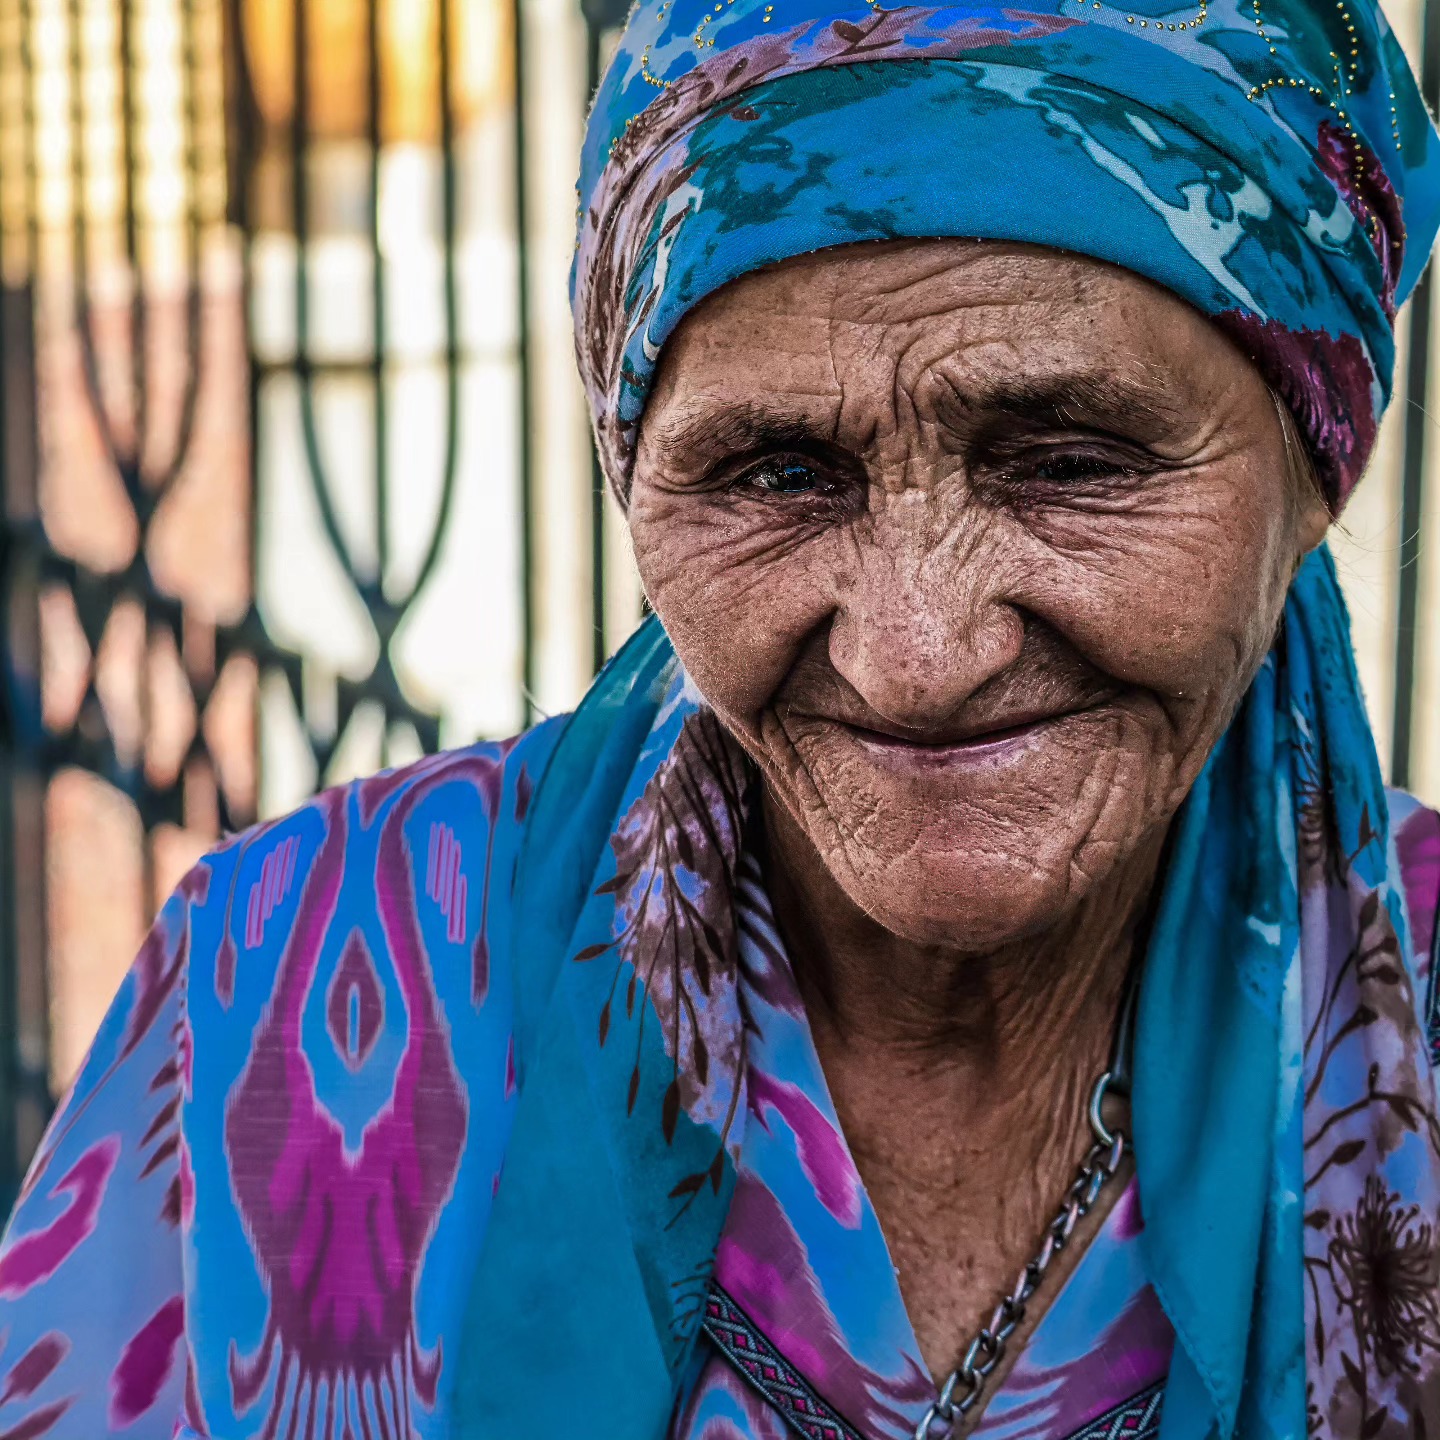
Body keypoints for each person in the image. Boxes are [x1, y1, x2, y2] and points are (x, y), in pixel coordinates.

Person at [4, 0, 1440, 1435]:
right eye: (772, 475)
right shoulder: (275, 991)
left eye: (1070, 462)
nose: (915, 657)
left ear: (1316, 471)